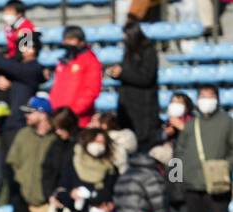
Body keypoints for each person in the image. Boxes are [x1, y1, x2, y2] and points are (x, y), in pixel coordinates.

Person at [179, 84, 233, 212]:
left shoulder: (228, 123)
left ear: (217, 99)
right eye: (203, 97)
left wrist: (226, 166)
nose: (206, 101)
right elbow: (178, 152)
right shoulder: (191, 124)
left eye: (210, 96)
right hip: (192, 185)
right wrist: (176, 180)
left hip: (217, 184)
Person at [113, 16, 158, 149]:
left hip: (143, 106)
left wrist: (122, 74)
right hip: (127, 105)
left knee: (143, 144)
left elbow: (146, 78)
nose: (124, 39)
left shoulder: (148, 50)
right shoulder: (128, 50)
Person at [49, 26, 102, 128]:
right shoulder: (64, 60)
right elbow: (57, 87)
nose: (67, 43)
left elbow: (91, 91)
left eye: (71, 40)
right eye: (65, 40)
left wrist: (71, 112)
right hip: (58, 116)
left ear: (81, 41)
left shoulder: (90, 61)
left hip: (77, 119)